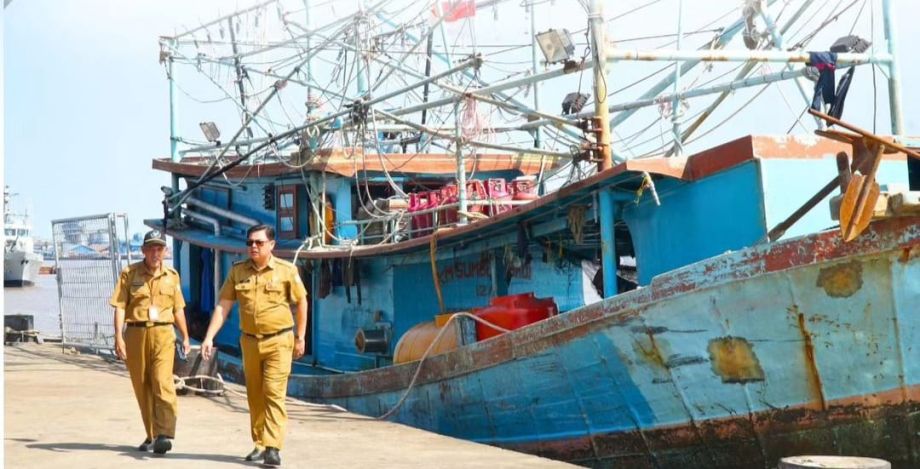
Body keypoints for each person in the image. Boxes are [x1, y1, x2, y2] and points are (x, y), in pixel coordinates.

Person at [201, 224, 308, 467]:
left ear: (271, 245)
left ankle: (273, 447)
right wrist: (209, 337)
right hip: (249, 342)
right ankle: (259, 443)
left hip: (279, 340)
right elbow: (223, 305)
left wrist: (300, 337)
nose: (253, 247)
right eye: (250, 242)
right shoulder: (238, 272)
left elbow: (301, 302)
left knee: (273, 392)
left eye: (259, 242)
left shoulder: (286, 271)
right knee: (255, 395)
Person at [109, 230, 191, 455]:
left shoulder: (172, 275)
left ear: (165, 251)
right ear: (143, 250)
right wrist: (118, 336)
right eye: (151, 248)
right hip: (135, 333)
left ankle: (165, 433)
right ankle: (152, 435)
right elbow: (120, 306)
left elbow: (178, 309)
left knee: (162, 381)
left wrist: (185, 336)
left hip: (164, 333)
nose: (156, 253)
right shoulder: (130, 273)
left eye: (160, 248)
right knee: (142, 385)